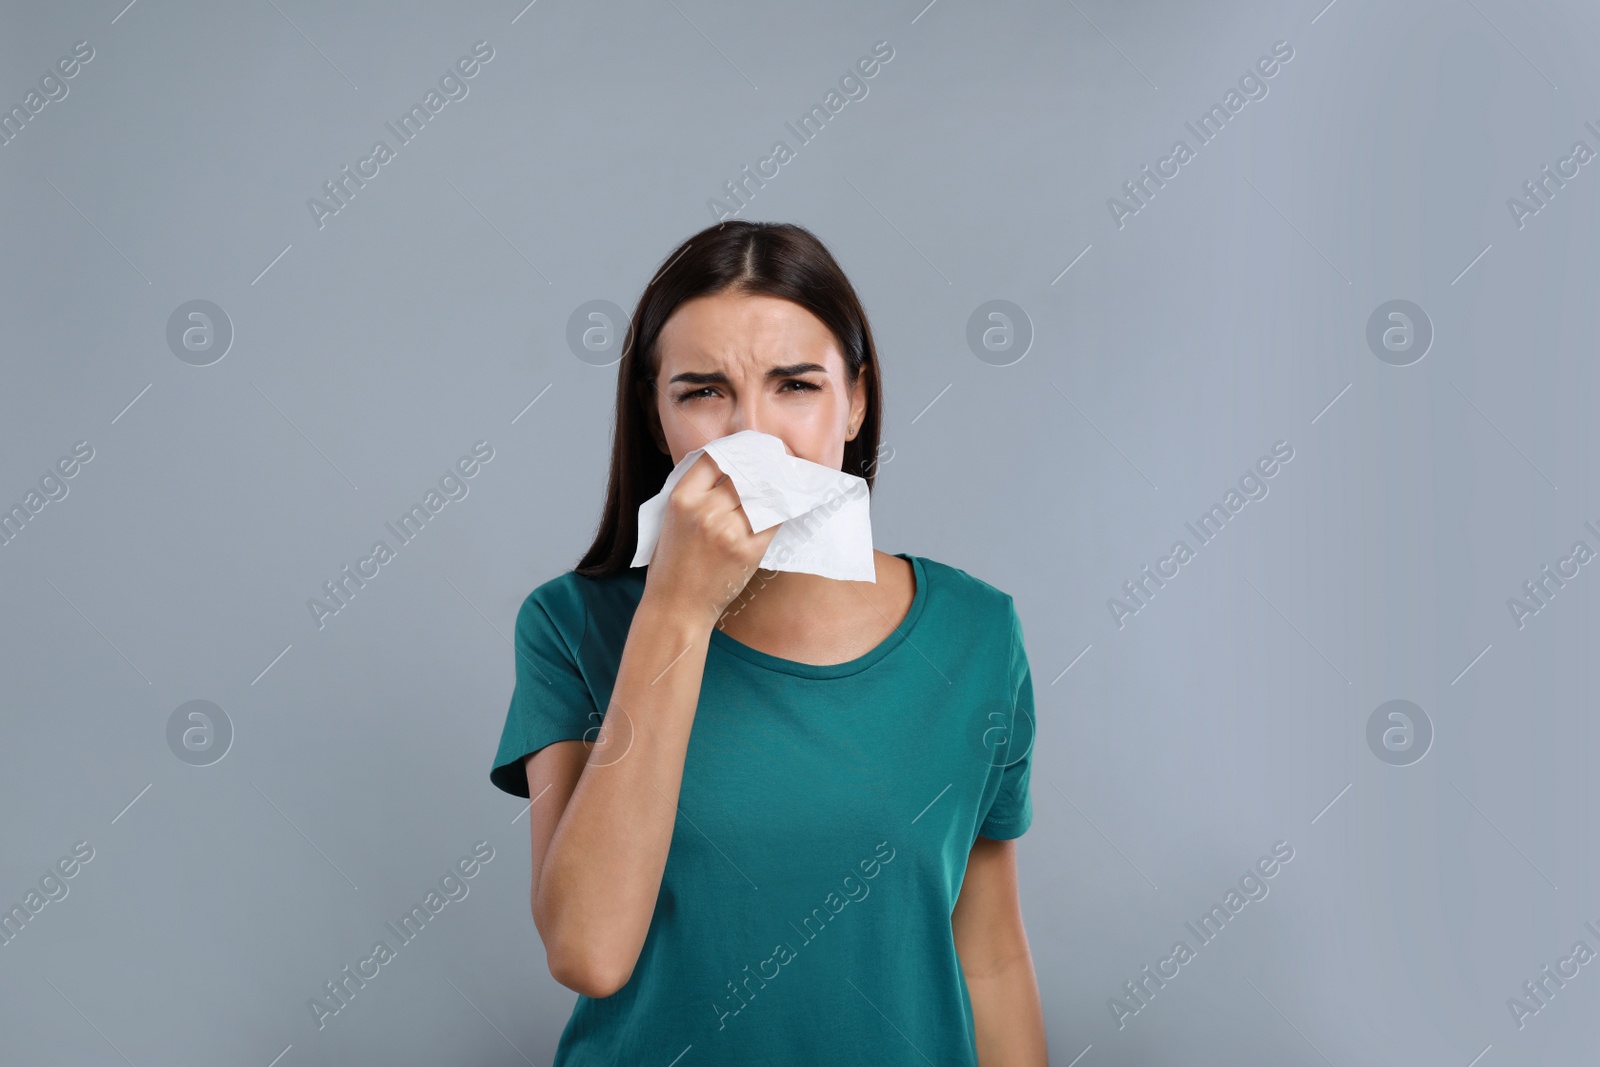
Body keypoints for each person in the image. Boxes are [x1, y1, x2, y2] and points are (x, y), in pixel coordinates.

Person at [489, 220, 1047, 1064]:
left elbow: (991, 955)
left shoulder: (975, 634)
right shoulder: (571, 625)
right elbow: (587, 950)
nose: (753, 438)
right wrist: (675, 610)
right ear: (656, 415)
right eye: (703, 391)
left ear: (856, 401)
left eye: (796, 385)